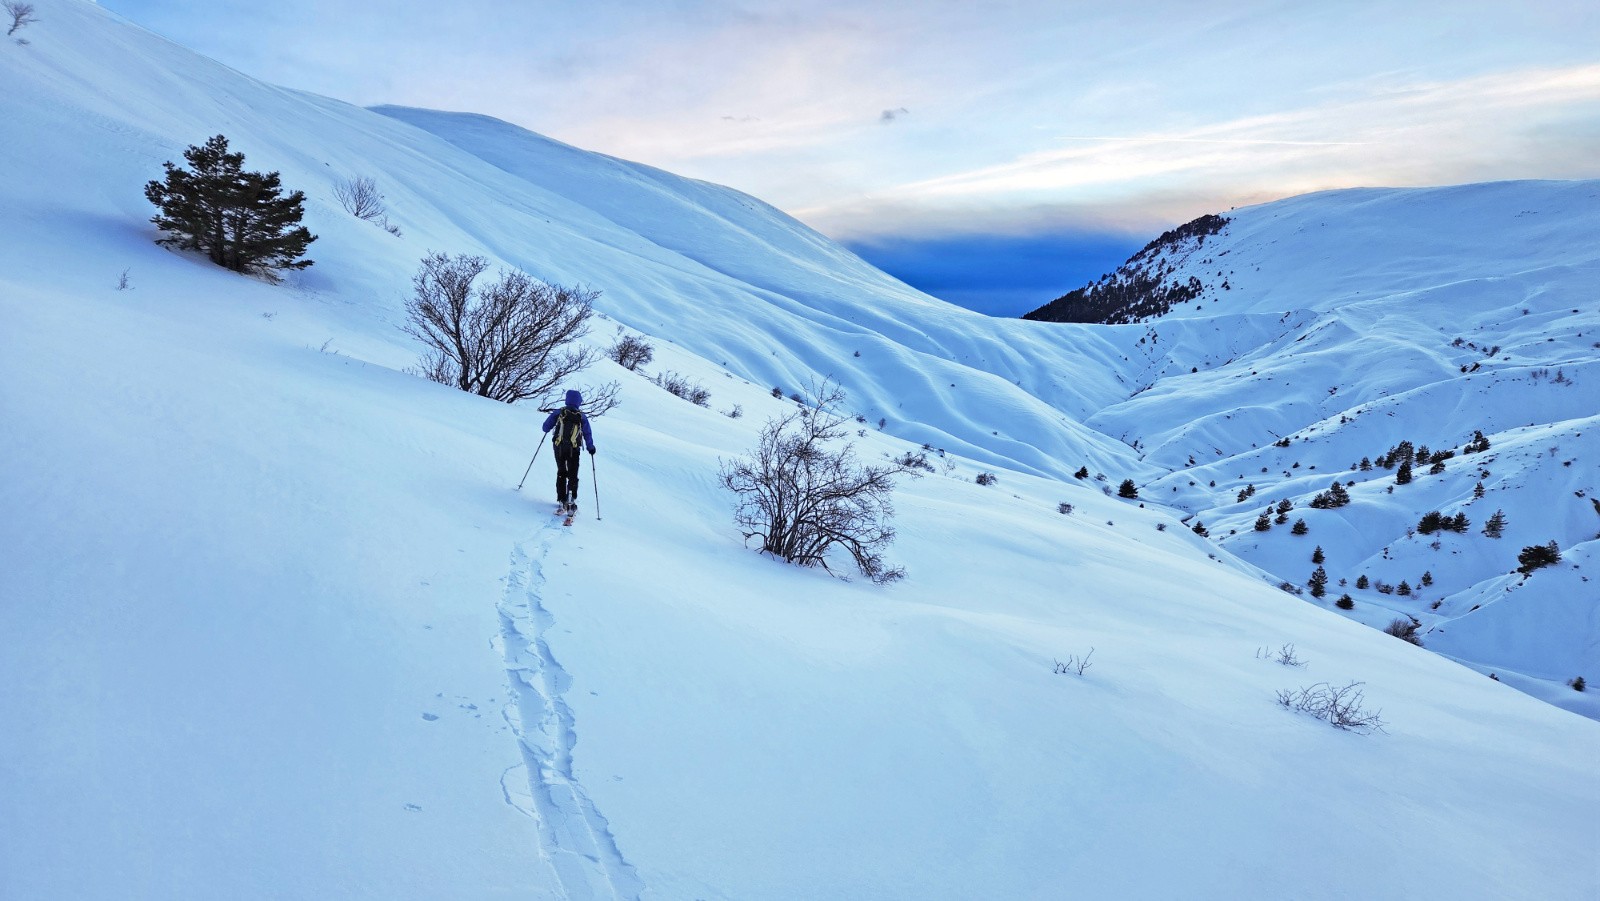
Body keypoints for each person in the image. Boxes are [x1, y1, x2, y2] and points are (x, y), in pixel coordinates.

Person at [541, 389, 595, 516]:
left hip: (558, 447)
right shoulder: (581, 416)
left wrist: (550, 428)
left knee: (561, 472)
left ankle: (561, 499)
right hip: (574, 449)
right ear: (579, 402)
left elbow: (545, 427)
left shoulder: (559, 412)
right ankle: (571, 498)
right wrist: (590, 447)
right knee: (573, 474)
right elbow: (587, 433)